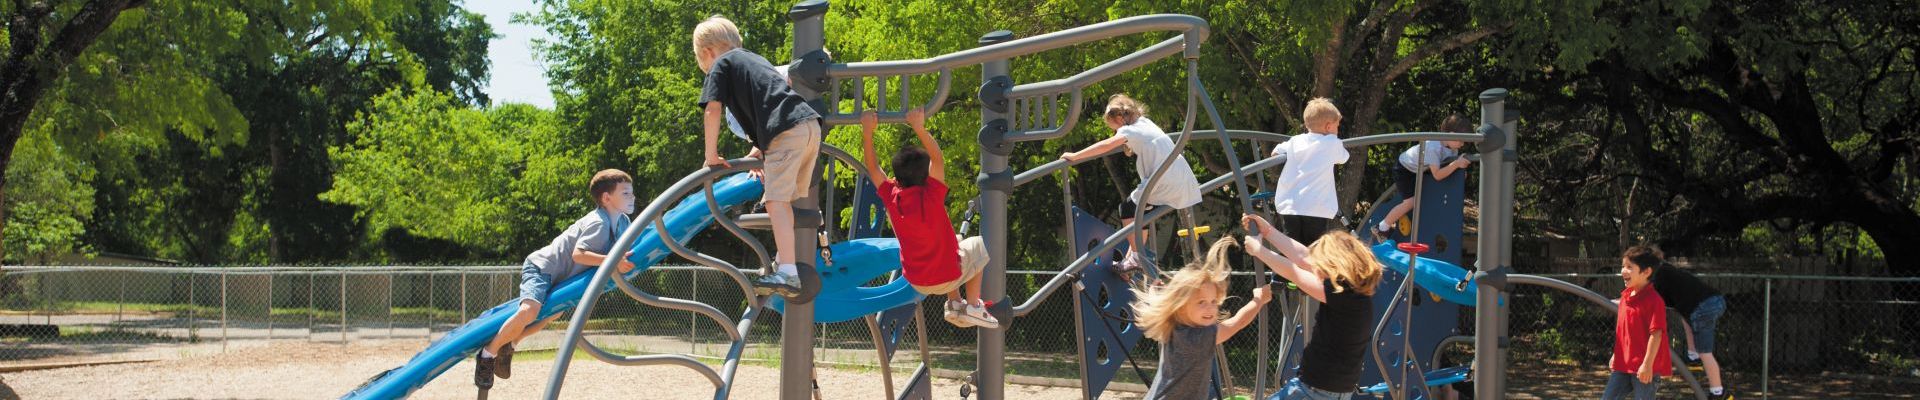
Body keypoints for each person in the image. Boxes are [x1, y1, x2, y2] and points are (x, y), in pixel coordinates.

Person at [694, 16, 823, 297]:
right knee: (783, 201)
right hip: (809, 127)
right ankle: (784, 259)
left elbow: (712, 110)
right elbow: (771, 102)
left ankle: (788, 272)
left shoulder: (721, 65)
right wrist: (757, 149)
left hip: (787, 133)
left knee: (776, 201)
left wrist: (711, 155)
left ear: (707, 53)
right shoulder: (755, 60)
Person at [475, 169, 636, 388]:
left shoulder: (623, 222)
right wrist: (613, 260)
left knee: (553, 314)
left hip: (561, 275)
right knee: (529, 311)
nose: (632, 197)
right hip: (542, 267)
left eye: (631, 192)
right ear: (607, 198)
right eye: (625, 193)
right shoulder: (599, 222)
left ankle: (511, 341)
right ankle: (487, 354)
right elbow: (579, 254)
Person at [858, 108, 996, 328]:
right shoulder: (931, 193)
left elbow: (873, 168)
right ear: (926, 177)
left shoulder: (893, 198)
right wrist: (919, 128)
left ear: (897, 180)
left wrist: (867, 132)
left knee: (956, 245)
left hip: (917, 281)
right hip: (946, 276)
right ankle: (973, 306)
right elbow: (938, 159)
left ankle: (954, 302)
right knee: (977, 245)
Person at [1242, 215, 1384, 400]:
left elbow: (1295, 272)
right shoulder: (1355, 292)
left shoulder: (1342, 293)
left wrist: (1260, 251)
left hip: (1316, 392)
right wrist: (1268, 231)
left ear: (1336, 264)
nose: (1317, 266)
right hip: (1324, 390)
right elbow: (1304, 258)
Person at [1060, 94, 1203, 276]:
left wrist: (1075, 157)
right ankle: (1132, 259)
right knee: (1139, 214)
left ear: (1120, 118)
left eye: (1115, 128)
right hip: (1179, 176)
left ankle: (1137, 258)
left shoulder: (1129, 131)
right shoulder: (1145, 122)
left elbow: (1106, 146)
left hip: (1163, 180)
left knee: (1127, 209)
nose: (1116, 132)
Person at [1133, 237, 1272, 399]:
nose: (1210, 308)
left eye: (1213, 301)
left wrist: (1158, 292)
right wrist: (1259, 300)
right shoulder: (1198, 338)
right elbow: (1238, 322)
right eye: (1201, 302)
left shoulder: (1174, 326)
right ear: (1181, 305)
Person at [1636, 245, 1732, 399]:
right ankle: (1693, 356)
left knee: (1705, 352)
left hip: (1705, 305)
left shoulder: (1660, 275)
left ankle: (1718, 392)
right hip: (1707, 302)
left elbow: (1647, 300)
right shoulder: (1665, 271)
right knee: (1684, 316)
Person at [1268, 98, 1350, 245]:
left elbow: (1276, 151)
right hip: (1316, 207)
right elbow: (1344, 158)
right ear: (1329, 127)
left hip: (1290, 205)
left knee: (1291, 248)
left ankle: (1288, 267)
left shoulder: (1295, 140)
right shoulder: (1333, 143)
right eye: (1337, 127)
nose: (1337, 131)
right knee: (1312, 249)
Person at [1374, 115, 1472, 239]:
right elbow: (1437, 175)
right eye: (1461, 140)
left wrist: (1459, 171)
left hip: (1422, 169)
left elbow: (1448, 166)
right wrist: (1456, 164)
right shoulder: (1433, 147)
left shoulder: (1452, 148)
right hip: (1405, 169)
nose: (1462, 144)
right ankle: (1382, 227)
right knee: (1411, 202)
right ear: (1451, 134)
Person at [1604, 245, 1673, 400]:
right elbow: (1623, 332)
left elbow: (1656, 335)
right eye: (1623, 266)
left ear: (1646, 272)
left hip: (1644, 369)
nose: (1623, 271)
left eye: (1629, 267)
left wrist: (1647, 365)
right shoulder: (1626, 298)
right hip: (1623, 365)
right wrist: (1617, 354)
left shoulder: (1654, 301)